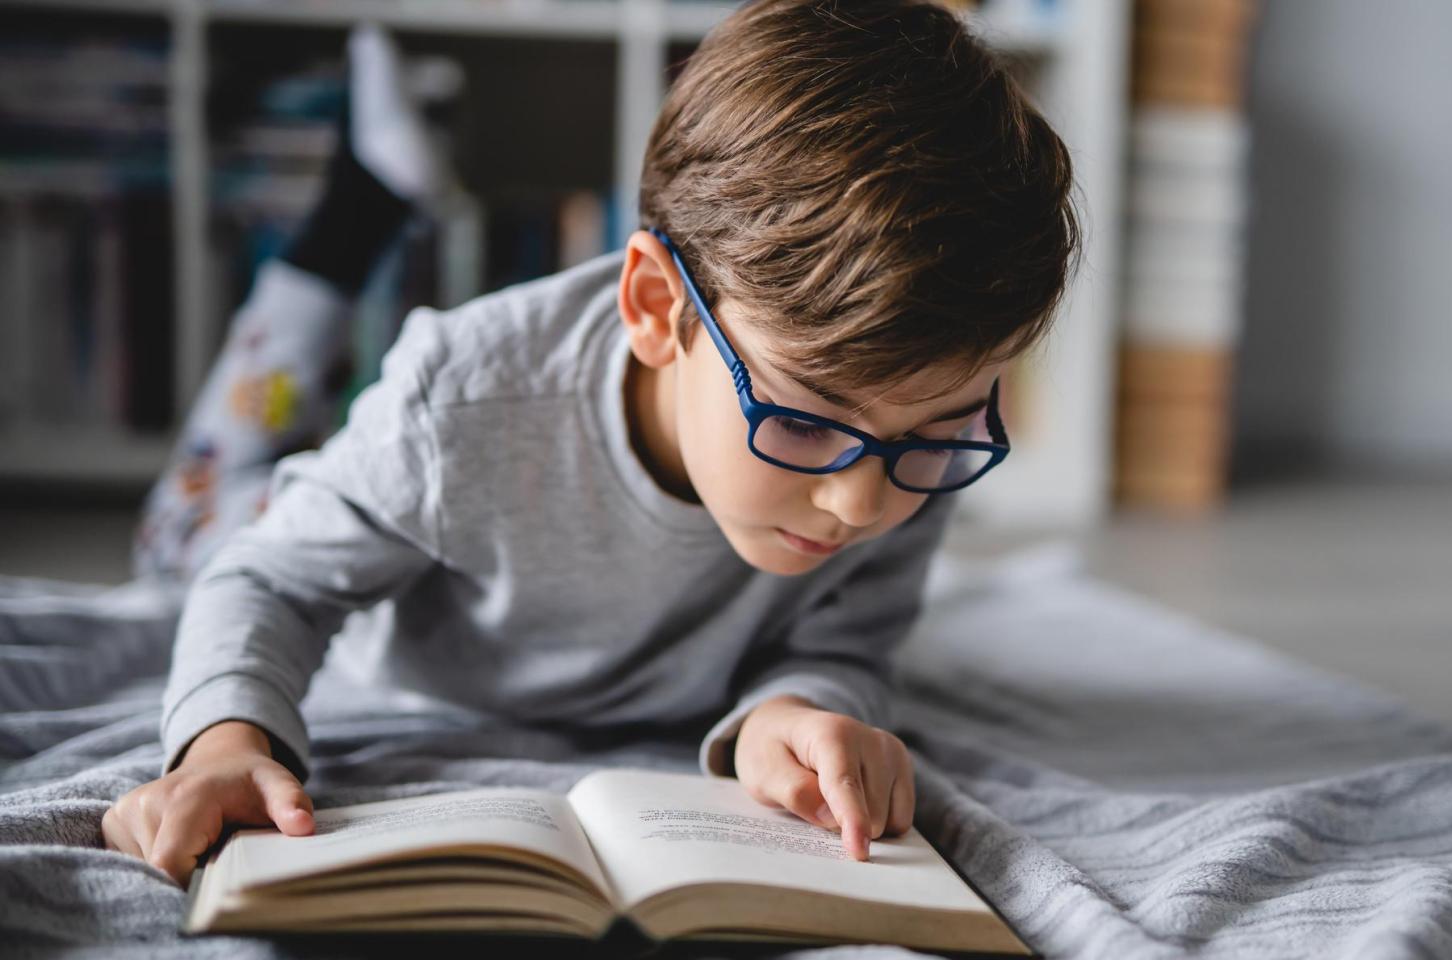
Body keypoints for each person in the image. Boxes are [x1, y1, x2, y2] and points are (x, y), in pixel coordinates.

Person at [102, 0, 1081, 888]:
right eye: (802, 420)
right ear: (656, 307)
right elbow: (268, 582)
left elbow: (842, 640)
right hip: (289, 518)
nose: (861, 504)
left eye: (931, 434)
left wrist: (789, 711)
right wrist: (225, 745)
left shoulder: (910, 440)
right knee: (196, 509)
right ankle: (351, 218)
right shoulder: (460, 404)